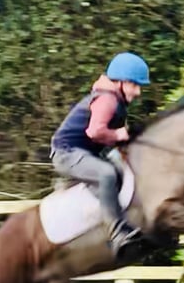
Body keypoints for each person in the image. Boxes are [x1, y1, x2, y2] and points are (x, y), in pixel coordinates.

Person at [50, 51, 149, 256]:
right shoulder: (107, 99)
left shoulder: (116, 101)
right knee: (106, 174)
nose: (138, 92)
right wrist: (120, 133)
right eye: (134, 85)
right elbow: (95, 132)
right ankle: (118, 234)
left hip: (84, 154)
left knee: (120, 173)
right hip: (66, 153)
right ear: (120, 83)